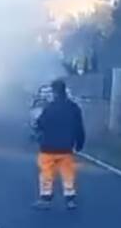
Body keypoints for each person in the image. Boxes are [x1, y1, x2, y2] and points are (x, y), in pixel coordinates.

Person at [33, 79, 85, 210]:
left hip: (48, 147)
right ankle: (70, 199)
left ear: (54, 92)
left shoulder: (49, 108)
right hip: (66, 148)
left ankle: (45, 198)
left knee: (46, 172)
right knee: (67, 173)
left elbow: (40, 124)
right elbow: (79, 127)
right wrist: (79, 143)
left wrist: (38, 134)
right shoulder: (73, 108)